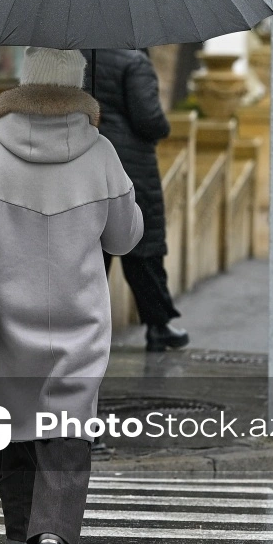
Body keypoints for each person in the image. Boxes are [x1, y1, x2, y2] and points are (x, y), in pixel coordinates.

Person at [0, 47, 143, 544]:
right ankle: (54, 531)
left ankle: (16, 531)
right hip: (79, 315)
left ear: (24, 85)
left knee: (8, 418)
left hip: (5, 315)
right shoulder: (101, 153)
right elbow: (125, 238)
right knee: (69, 424)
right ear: (76, 90)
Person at [84, 48, 190, 352]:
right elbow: (148, 118)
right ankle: (159, 326)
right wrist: (164, 128)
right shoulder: (134, 61)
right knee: (142, 249)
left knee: (90, 251)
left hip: (83, 161)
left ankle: (86, 329)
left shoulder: (76, 55)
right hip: (131, 167)